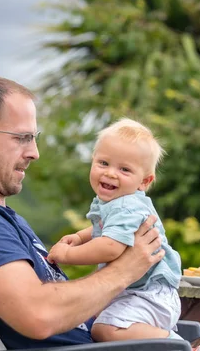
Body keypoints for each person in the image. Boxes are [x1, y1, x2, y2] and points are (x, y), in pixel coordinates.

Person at [0, 76, 166, 349]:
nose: (35, 152)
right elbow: (38, 315)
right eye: (22, 138)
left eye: (34, 138)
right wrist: (126, 270)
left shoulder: (1, 218)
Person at [47, 118, 183, 342]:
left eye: (124, 169)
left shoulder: (127, 205)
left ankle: (175, 345)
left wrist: (68, 255)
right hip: (132, 291)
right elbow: (104, 230)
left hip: (149, 294)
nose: (110, 173)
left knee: (105, 330)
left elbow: (110, 247)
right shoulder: (113, 203)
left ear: (144, 181)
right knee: (94, 321)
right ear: (92, 161)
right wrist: (80, 237)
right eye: (103, 163)